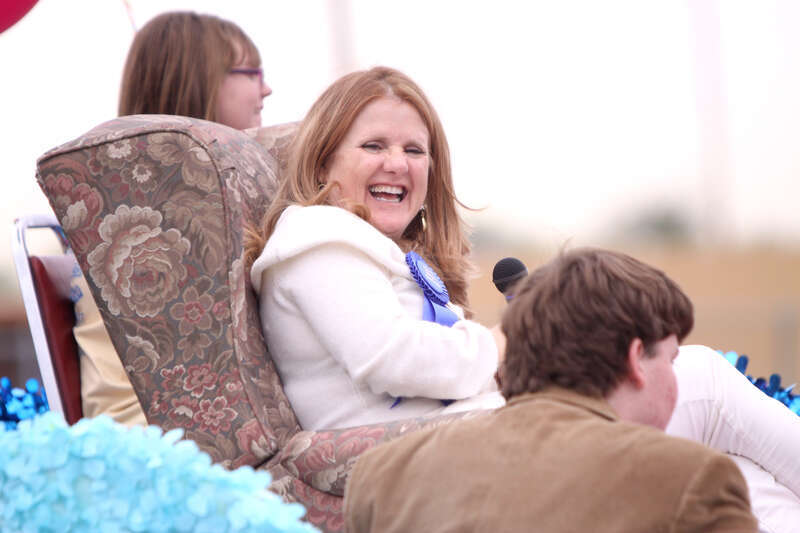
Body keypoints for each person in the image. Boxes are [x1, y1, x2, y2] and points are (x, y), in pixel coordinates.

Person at [247, 66, 800, 531]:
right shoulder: (318, 242)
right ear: (323, 161)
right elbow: (391, 358)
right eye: (374, 146)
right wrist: (501, 342)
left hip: (482, 427)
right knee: (700, 379)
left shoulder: (376, 252)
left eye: (415, 149)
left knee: (733, 474)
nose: (398, 163)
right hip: (456, 452)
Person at [344, 248, 758, 532]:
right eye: (670, 359)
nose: (676, 375)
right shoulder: (691, 479)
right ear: (636, 359)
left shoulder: (379, 477)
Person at [75, 11, 272, 426]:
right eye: (252, 72)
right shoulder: (156, 214)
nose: (267, 89)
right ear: (199, 79)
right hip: (163, 448)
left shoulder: (135, 197)